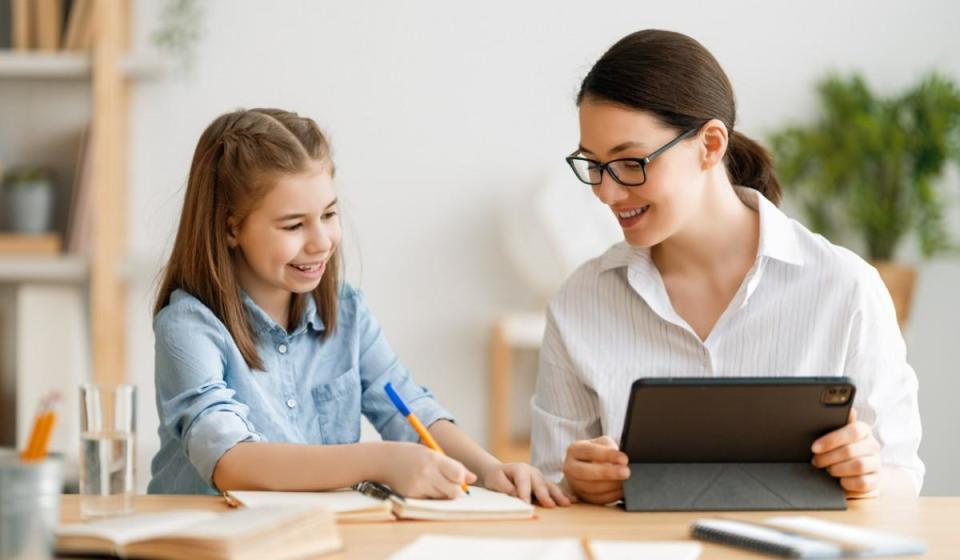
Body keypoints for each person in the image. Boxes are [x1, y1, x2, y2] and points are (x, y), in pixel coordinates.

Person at [530, 30, 924, 505]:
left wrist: (870, 476)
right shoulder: (581, 301)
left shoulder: (845, 288)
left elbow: (902, 475)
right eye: (593, 165)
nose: (606, 193)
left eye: (630, 163)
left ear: (711, 144)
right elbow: (550, 484)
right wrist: (574, 483)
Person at [148, 108, 569, 507]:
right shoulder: (189, 325)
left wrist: (491, 470)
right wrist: (381, 460)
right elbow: (230, 461)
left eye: (329, 215)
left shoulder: (346, 313)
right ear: (230, 227)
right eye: (294, 225)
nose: (321, 241)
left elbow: (409, 409)